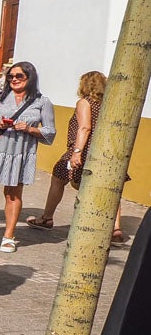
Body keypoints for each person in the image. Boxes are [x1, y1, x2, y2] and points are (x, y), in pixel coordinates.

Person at [28, 71, 124, 241]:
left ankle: (47, 218)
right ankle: (115, 229)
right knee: (109, 187)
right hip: (107, 151)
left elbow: (84, 128)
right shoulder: (110, 103)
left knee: (59, 176)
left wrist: (77, 152)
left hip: (86, 150)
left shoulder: (85, 102)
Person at [0, 60, 55, 252]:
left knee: (13, 193)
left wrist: (29, 129)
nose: (14, 79)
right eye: (11, 76)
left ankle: (9, 236)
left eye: (19, 76)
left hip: (21, 153)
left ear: (30, 78)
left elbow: (50, 131)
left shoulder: (42, 102)